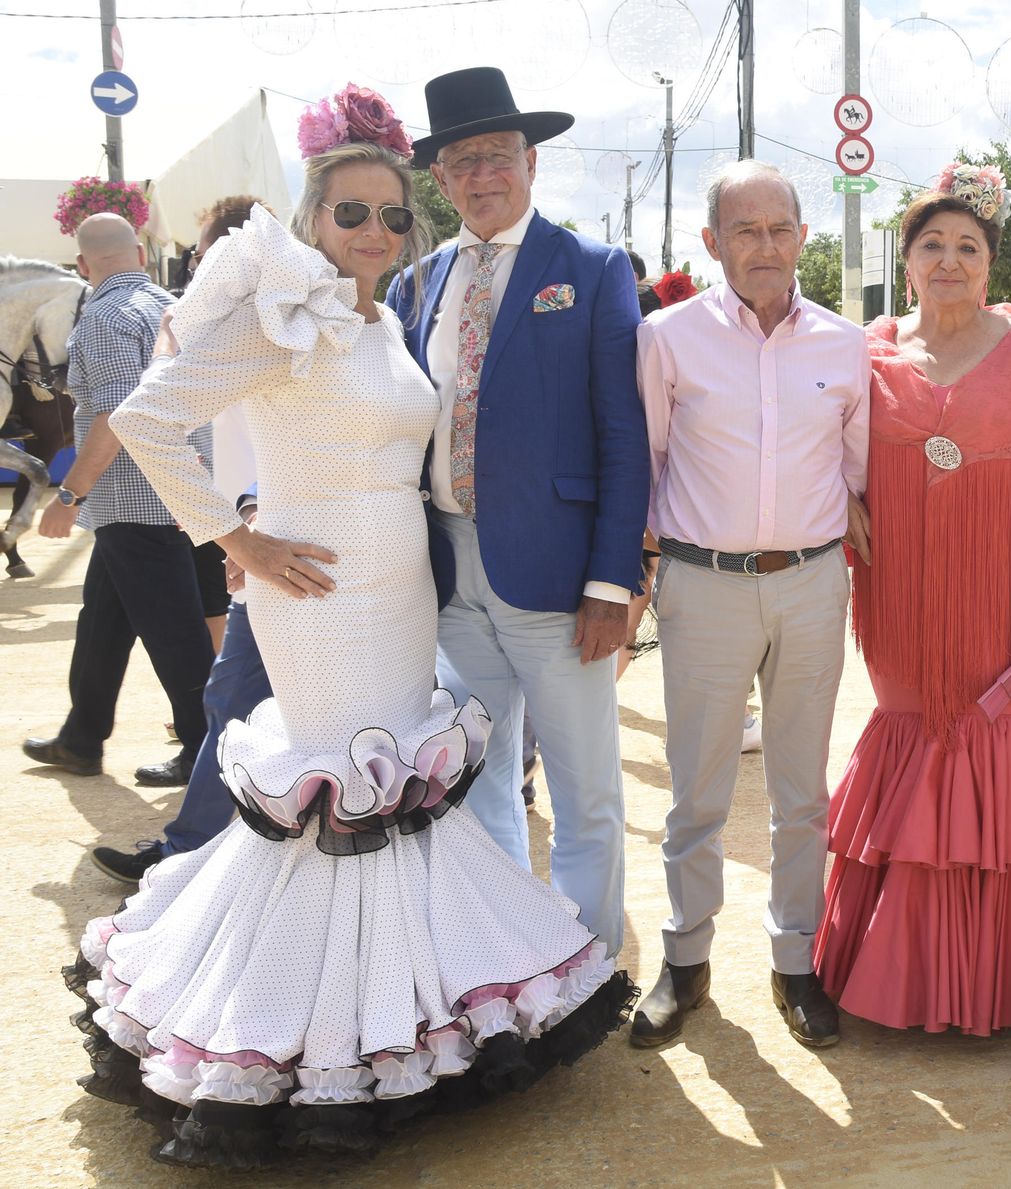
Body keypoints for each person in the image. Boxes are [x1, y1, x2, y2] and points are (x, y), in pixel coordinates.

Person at [66, 87, 634, 1168]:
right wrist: (239, 542)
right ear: (312, 220)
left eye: (388, 215)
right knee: (337, 798)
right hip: (314, 595)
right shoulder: (285, 318)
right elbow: (145, 418)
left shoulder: (387, 312)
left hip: (402, 590)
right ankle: (306, 1044)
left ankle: (417, 1011)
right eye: (349, 214)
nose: (373, 231)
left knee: (409, 800)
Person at [812, 163, 1011, 1036]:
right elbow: (816, 440)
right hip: (899, 599)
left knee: (989, 739)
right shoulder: (867, 350)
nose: (949, 259)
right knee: (910, 732)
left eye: (967, 246)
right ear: (907, 263)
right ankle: (900, 973)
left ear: (990, 264)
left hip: (998, 600)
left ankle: (997, 983)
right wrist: (842, 493)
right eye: (931, 244)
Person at [387, 68, 650, 956]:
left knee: (585, 789)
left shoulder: (593, 270)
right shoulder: (415, 286)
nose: (481, 173)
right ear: (442, 179)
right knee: (480, 780)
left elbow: (624, 436)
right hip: (449, 576)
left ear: (530, 162)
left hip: (559, 581)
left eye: (497, 154)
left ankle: (593, 962)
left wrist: (614, 579)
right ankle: (515, 961)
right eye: (462, 160)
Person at [630, 160, 868, 1049]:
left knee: (803, 791)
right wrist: (641, 578)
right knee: (697, 788)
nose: (764, 246)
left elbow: (861, 474)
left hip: (812, 581)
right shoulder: (666, 338)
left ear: (805, 237)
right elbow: (645, 463)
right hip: (704, 585)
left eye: (780, 229)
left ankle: (796, 961)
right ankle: (685, 961)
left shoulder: (846, 346)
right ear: (711, 242)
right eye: (744, 230)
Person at [90, 196, 276, 885]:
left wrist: (239, 528)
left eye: (203, 252)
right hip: (251, 535)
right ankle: (194, 844)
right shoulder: (226, 326)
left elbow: (142, 419)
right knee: (228, 693)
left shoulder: (251, 330)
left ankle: (194, 848)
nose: (196, 264)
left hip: (275, 542)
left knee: (230, 692)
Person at [24, 213, 213, 788]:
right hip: (179, 491)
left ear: (82, 266)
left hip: (134, 502)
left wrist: (69, 494)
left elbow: (113, 414)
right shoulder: (177, 306)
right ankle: (82, 737)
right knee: (102, 620)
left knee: (173, 631)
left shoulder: (103, 316)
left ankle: (208, 751)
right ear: (138, 250)